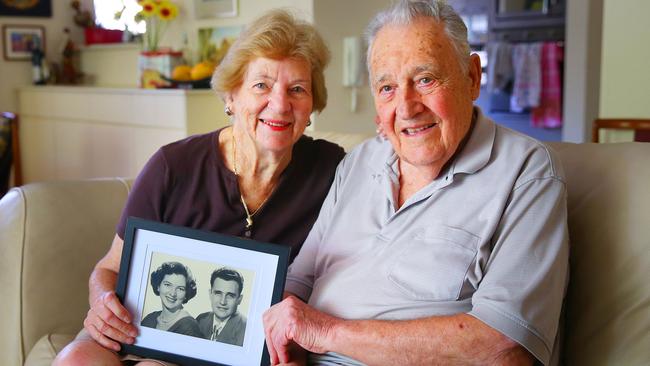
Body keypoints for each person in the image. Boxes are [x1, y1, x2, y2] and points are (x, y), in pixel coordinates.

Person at [263, 1, 569, 365]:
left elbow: (506, 348)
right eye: (387, 87)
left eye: (425, 79)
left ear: (472, 77)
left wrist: (326, 333)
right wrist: (283, 345)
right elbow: (301, 281)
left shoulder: (526, 173)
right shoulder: (359, 162)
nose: (406, 107)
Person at [53, 9, 344, 366]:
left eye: (297, 89)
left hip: (245, 348)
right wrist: (102, 303)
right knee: (75, 359)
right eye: (261, 85)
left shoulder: (332, 170)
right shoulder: (172, 166)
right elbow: (110, 268)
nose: (280, 104)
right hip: (141, 330)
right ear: (231, 97)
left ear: (312, 104)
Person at [140, 262, 202, 338]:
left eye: (180, 289)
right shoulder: (149, 319)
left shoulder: (189, 327)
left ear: (186, 294)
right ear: (158, 286)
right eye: (167, 285)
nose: (172, 293)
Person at [196, 268, 247, 346]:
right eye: (218, 293)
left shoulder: (247, 330)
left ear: (239, 299)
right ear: (210, 294)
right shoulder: (201, 320)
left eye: (230, 295)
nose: (223, 302)